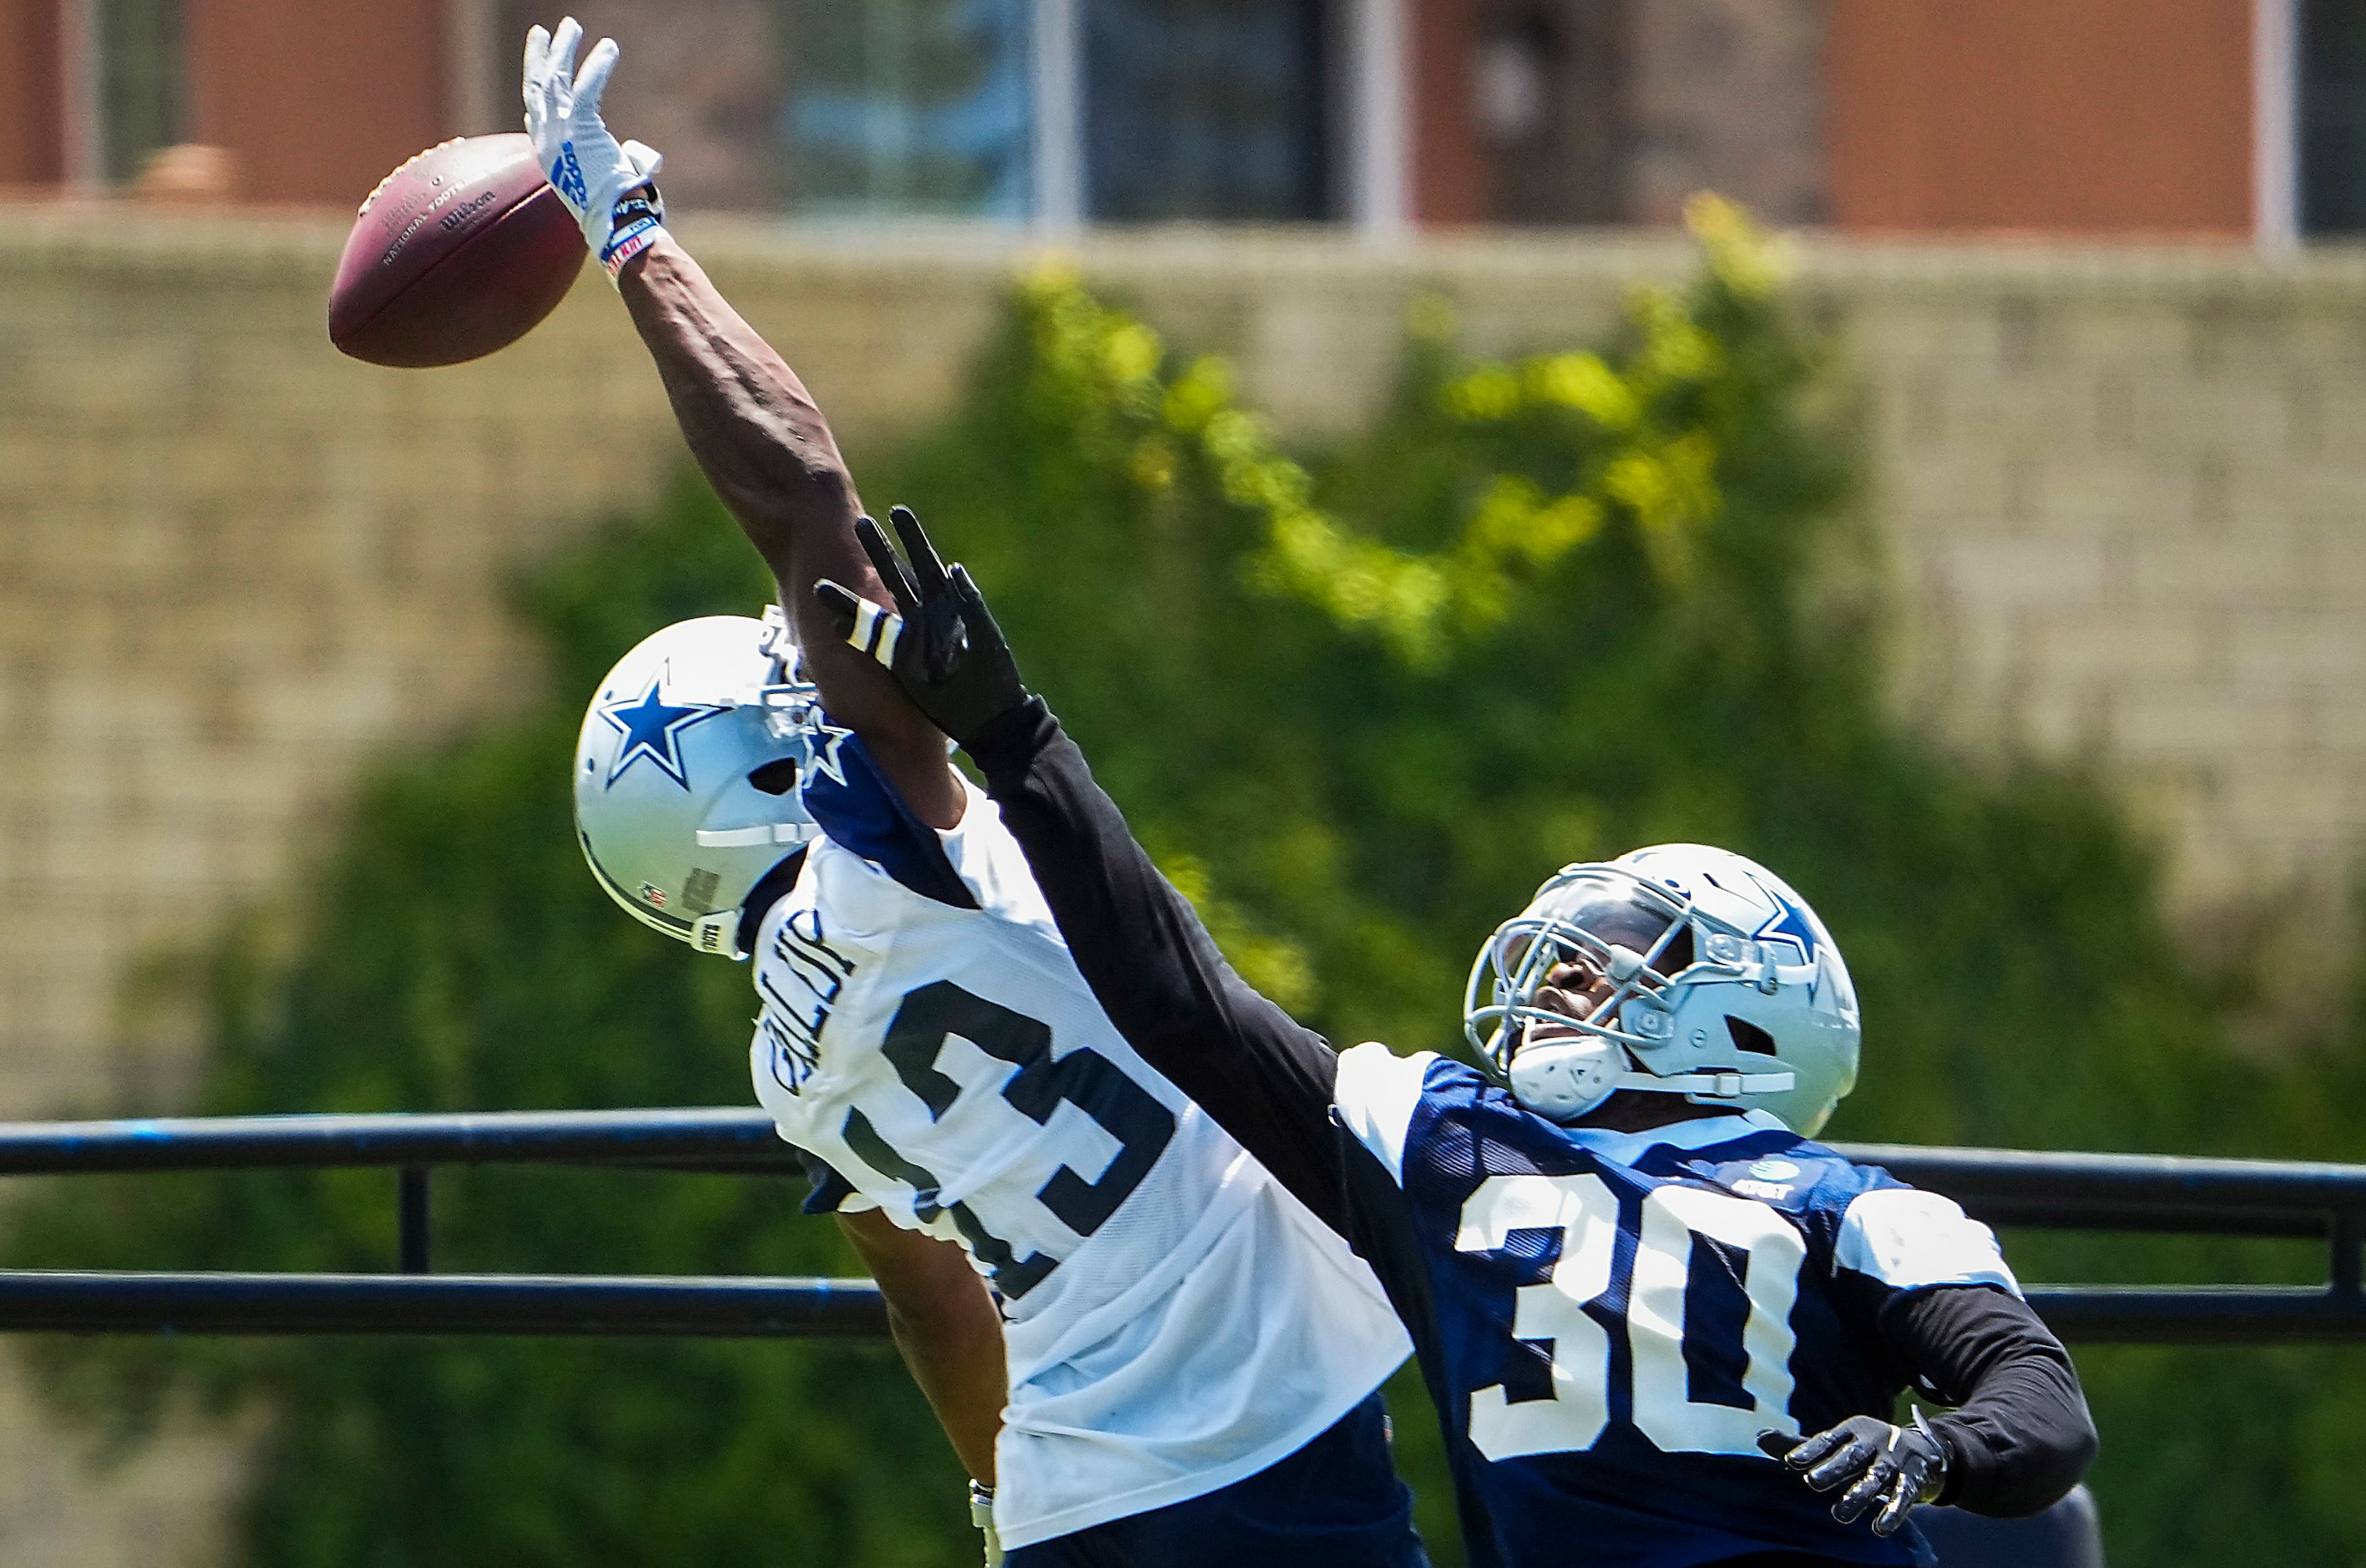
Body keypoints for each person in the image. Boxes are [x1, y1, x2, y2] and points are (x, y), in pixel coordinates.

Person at [528, 19, 1428, 1568]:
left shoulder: (787, 1068)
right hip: (1261, 1432)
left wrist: (996, 1505)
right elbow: (802, 490)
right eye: (787, 693)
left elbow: (928, 1296)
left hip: (1078, 1491)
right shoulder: (888, 851)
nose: (818, 682)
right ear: (748, 778)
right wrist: (632, 239)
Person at [812, 508, 2104, 1568]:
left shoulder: (1849, 1203)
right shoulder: (1441, 1139)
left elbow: (2036, 1401)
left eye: (1614, 960)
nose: (1561, 981)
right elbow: (1182, 1006)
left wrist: (1938, 1449)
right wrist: (1014, 738)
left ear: (1748, 1009)